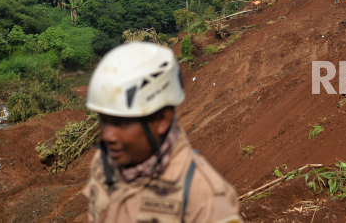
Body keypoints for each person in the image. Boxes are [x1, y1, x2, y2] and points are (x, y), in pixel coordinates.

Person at [84, 42, 242, 223]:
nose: (107, 136)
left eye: (122, 123)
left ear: (162, 120)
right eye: (104, 120)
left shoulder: (205, 200)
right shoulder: (104, 161)